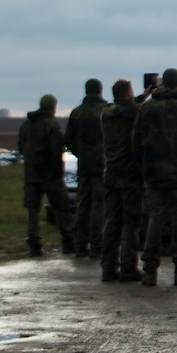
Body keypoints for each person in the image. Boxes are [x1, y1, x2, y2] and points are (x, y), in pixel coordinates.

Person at [135, 68, 177, 287]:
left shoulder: (146, 110)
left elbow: (136, 142)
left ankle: (149, 271)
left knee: (154, 221)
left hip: (154, 175)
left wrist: (145, 167)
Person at [15, 94, 74, 257]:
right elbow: (57, 151)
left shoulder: (26, 125)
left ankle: (34, 245)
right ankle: (68, 242)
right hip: (50, 175)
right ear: (53, 107)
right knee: (62, 208)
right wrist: (57, 172)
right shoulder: (52, 125)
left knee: (33, 211)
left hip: (31, 175)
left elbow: (21, 148)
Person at [97, 80, 144, 282]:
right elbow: (138, 110)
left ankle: (108, 266)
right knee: (131, 222)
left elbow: (130, 106)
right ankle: (128, 266)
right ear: (127, 93)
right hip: (130, 174)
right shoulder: (133, 112)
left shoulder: (107, 113)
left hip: (111, 172)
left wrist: (142, 96)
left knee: (112, 221)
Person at [66, 79, 108, 257]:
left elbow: (68, 140)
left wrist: (81, 153)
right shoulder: (105, 111)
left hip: (84, 164)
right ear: (100, 91)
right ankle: (97, 244)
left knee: (83, 204)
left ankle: (80, 243)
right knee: (99, 204)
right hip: (103, 164)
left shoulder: (77, 113)